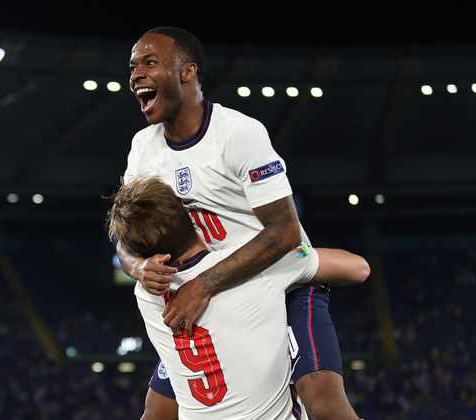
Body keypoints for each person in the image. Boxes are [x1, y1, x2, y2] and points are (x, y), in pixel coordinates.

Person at [118, 26, 367, 419]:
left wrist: (203, 284)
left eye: (150, 62)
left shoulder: (237, 134)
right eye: (133, 67)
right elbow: (126, 234)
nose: (136, 74)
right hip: (210, 302)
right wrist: (139, 266)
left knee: (325, 405)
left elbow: (284, 233)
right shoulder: (142, 148)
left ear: (188, 71)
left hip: (279, 285)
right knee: (157, 412)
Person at [108, 176, 367, 419]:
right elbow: (358, 268)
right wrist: (296, 262)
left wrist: (138, 266)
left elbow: (126, 254)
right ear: (189, 215)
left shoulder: (144, 294)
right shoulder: (254, 267)